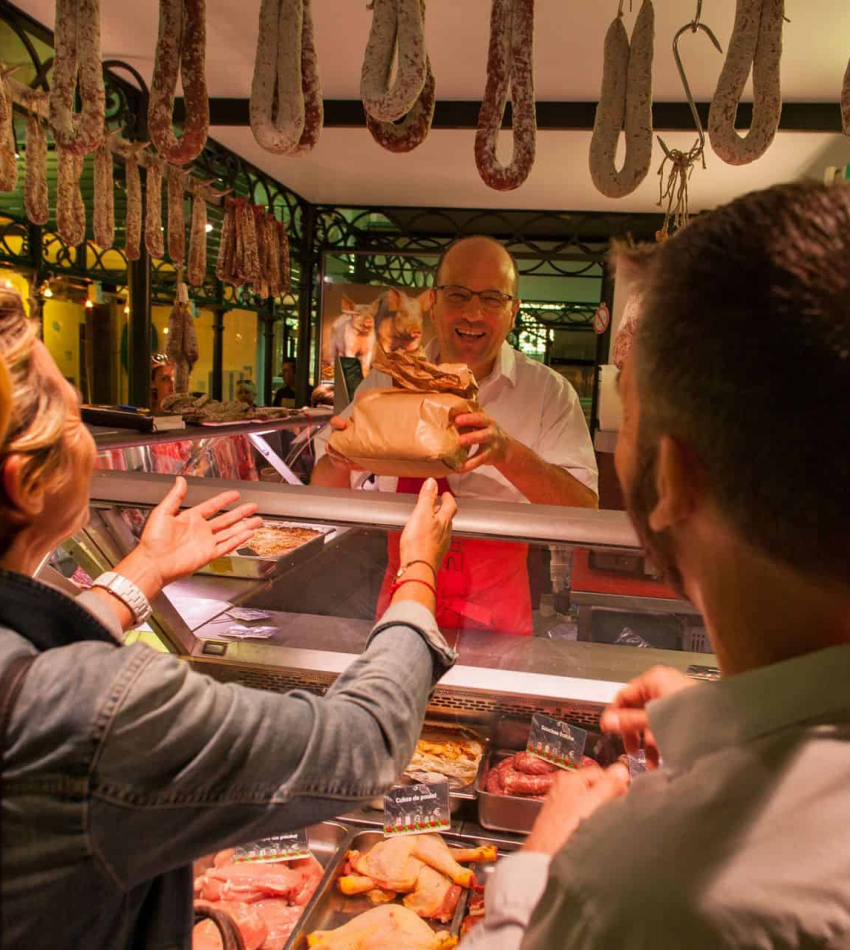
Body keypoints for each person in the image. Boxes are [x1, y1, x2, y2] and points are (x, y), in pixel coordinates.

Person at [0, 284, 459, 948]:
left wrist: (137, 577)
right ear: (24, 481)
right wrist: (417, 573)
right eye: (77, 421)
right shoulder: (97, 713)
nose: (93, 448)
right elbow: (361, 746)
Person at [460, 182, 850, 948]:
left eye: (627, 414)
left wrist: (541, 867)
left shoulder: (640, 884)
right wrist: (719, 714)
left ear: (673, 479)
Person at [311, 236, 598, 637]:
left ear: (513, 312)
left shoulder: (548, 393)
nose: (473, 312)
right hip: (403, 607)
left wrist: (508, 453)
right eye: (458, 295)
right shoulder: (386, 382)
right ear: (433, 302)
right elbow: (322, 493)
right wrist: (341, 458)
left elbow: (585, 514)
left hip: (498, 619)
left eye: (492, 299)